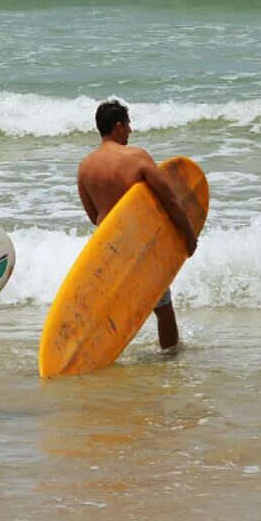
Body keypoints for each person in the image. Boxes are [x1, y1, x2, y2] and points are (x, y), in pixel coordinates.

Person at [76, 100, 200, 350]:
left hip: (106, 248)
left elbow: (93, 215)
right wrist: (189, 235)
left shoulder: (85, 167)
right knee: (163, 307)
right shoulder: (137, 158)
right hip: (138, 247)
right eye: (129, 125)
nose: (131, 131)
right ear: (118, 126)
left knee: (114, 309)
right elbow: (172, 201)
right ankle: (170, 358)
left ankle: (98, 354)